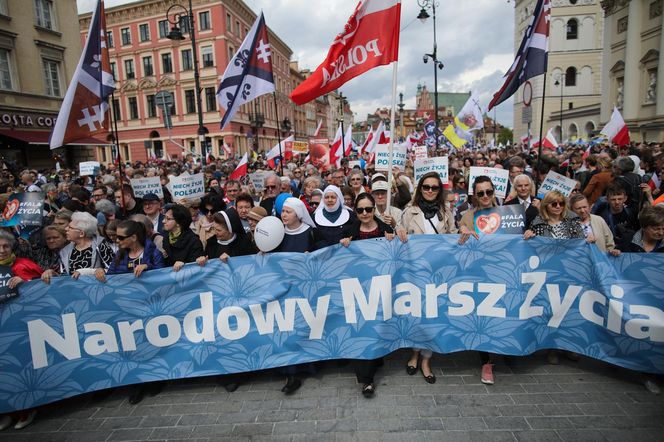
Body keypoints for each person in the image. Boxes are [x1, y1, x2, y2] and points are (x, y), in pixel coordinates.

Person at [397, 171, 457, 385]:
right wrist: (399, 232)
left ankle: (426, 359)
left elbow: (454, 236)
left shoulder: (447, 212)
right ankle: (414, 353)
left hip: (439, 273)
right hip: (415, 272)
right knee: (417, 314)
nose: (430, 191)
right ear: (420, 189)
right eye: (426, 187)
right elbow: (398, 233)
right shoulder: (409, 211)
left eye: (434, 188)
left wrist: (463, 233)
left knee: (433, 315)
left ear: (440, 191)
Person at [340, 193, 397, 397]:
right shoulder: (349, 232)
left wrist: (394, 237)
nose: (365, 213)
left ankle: (376, 359)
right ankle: (367, 380)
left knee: (375, 329)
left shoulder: (386, 230)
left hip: (381, 291)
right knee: (361, 331)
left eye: (369, 209)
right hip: (358, 292)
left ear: (374, 209)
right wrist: (343, 245)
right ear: (355, 212)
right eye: (360, 210)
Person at [524, 191, 585, 365]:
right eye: (554, 204)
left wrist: (588, 240)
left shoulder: (572, 220)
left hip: (570, 272)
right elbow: (533, 248)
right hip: (548, 272)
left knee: (569, 309)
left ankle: (569, 346)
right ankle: (553, 347)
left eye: (561, 203)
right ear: (546, 205)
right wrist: (529, 236)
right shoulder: (537, 223)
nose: (558, 207)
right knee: (552, 310)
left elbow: (579, 242)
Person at [457, 176, 501, 384]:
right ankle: (487, 362)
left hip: (505, 270)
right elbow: (457, 241)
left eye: (488, 192)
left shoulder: (510, 213)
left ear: (494, 192)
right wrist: (462, 231)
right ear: (474, 195)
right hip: (481, 274)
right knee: (485, 314)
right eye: (480, 193)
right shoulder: (467, 216)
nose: (485, 196)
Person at [274, 197, 318, 393]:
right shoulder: (277, 233)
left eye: (288, 211)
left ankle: (308, 365)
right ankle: (291, 374)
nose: (284, 215)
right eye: (283, 211)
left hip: (305, 289)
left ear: (298, 214)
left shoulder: (310, 233)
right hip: (284, 289)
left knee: (305, 328)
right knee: (287, 329)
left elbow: (321, 253)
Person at [0, 230, 42, 429]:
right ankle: (7, 411)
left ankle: (26, 409)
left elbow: (46, 286)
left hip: (23, 326)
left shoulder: (24, 265)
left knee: (21, 367)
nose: (2, 250)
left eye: (5, 246)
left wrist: (26, 283)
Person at [46, 212, 114, 283]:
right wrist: (53, 273)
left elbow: (114, 269)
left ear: (81, 233)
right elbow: (64, 277)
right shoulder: (65, 251)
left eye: (70, 227)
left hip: (97, 289)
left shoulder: (100, 244)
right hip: (74, 291)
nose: (66, 229)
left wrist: (99, 271)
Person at [162, 203, 204, 271]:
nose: (163, 221)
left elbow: (197, 267)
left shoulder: (194, 241)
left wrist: (184, 264)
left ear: (179, 223)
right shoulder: (166, 238)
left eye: (168, 219)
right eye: (164, 217)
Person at [313, 185, 356, 250]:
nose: (330, 200)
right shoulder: (315, 216)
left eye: (333, 197)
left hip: (344, 253)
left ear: (339, 198)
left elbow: (353, 235)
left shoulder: (350, 215)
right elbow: (315, 239)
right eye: (327, 197)